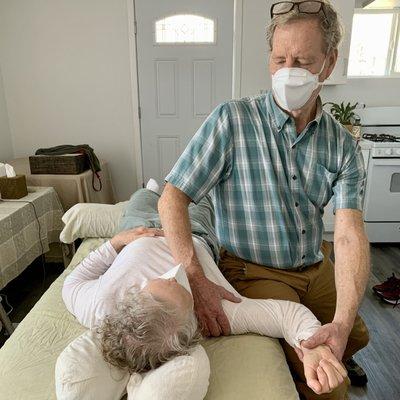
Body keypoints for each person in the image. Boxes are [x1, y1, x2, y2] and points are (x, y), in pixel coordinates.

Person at [158, 1, 370, 399]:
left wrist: (341, 324)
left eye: (303, 61)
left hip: (313, 261)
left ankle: (332, 346)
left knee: (358, 332)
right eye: (279, 59)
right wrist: (196, 278)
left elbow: (348, 235)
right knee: (331, 390)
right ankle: (301, 367)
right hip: (253, 269)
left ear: (329, 62)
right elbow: (171, 198)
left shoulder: (342, 145)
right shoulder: (231, 121)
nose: (288, 71)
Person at [62, 187, 347, 396]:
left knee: (142, 196)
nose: (176, 277)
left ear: (135, 297)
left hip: (136, 231)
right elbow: (286, 314)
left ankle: (150, 189)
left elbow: (72, 282)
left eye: (167, 285)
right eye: (183, 290)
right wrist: (311, 345)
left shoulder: (99, 303)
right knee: (203, 202)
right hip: (194, 233)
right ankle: (156, 191)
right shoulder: (214, 311)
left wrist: (115, 243)